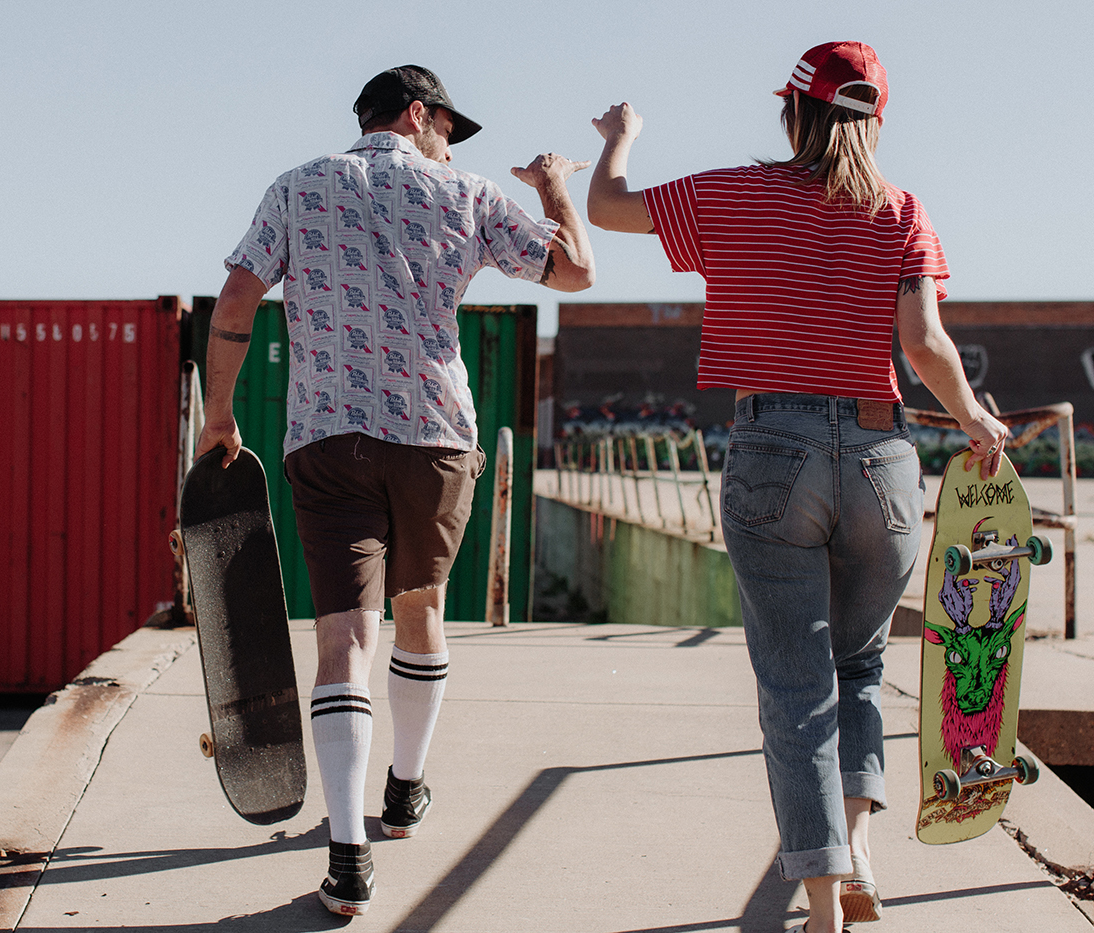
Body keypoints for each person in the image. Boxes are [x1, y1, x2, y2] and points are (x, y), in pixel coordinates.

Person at [586, 42, 1006, 933]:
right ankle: (858, 855)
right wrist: (973, 420)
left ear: (795, 113)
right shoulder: (903, 211)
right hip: (881, 461)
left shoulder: (734, 193)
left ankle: (823, 910)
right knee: (859, 665)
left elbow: (605, 208)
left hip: (773, 448)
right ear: (877, 119)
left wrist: (621, 137)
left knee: (794, 683)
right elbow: (925, 345)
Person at [197, 64, 594, 916]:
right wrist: (558, 189)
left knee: (344, 639)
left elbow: (236, 297)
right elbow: (574, 273)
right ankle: (405, 789)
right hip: (435, 440)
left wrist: (219, 415)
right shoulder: (470, 196)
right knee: (421, 610)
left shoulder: (297, 187)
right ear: (418, 116)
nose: (449, 146)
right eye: (448, 128)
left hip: (328, 438)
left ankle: (346, 857)